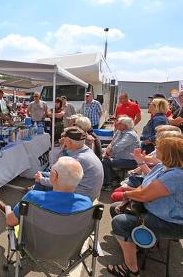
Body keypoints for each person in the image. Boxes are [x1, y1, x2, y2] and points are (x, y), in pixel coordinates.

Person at [107, 137, 183, 277]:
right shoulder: (164, 167)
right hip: (158, 212)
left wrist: (127, 195)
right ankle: (137, 245)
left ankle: (130, 268)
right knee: (114, 208)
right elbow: (145, 186)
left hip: (171, 223)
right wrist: (129, 196)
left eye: (159, 148)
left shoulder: (175, 175)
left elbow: (144, 195)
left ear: (168, 153)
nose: (156, 150)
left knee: (119, 222)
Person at [0, 157, 92, 227]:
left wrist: (8, 209)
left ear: (54, 176)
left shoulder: (33, 197)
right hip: (70, 250)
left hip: (34, 247)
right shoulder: (87, 203)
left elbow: (11, 222)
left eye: (51, 171)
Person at [34, 127, 103, 201]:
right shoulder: (85, 150)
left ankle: (35, 202)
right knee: (43, 175)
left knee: (41, 182)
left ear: (69, 142)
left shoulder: (78, 159)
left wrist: (41, 180)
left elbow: (60, 180)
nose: (62, 141)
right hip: (87, 191)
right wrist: (43, 175)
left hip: (82, 196)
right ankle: (35, 195)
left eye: (65, 140)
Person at [101, 116, 140, 190]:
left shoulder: (130, 134)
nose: (116, 124)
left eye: (119, 123)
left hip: (129, 160)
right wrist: (106, 152)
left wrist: (108, 154)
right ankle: (113, 179)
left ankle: (110, 182)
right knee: (99, 153)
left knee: (105, 161)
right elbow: (112, 143)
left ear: (125, 125)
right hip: (118, 156)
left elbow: (118, 147)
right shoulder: (119, 131)